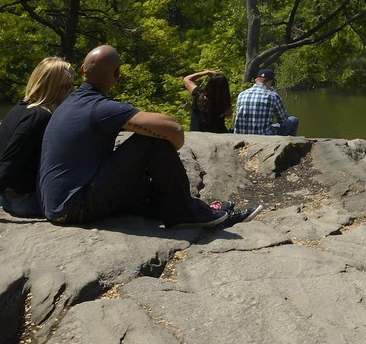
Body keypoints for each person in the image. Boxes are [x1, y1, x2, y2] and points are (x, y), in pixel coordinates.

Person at [38, 45, 260, 230]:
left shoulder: (70, 102)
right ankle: (185, 212)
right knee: (152, 142)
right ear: (116, 75)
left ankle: (193, 207)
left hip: (59, 204)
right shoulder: (100, 107)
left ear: (83, 70)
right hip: (74, 206)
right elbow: (173, 129)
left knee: (142, 183)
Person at [0, 57, 75, 222]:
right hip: (23, 201)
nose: (71, 92)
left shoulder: (22, 108)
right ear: (52, 88)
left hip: (13, 197)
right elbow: (9, 161)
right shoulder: (38, 117)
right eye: (67, 86)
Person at [232, 67, 299, 136]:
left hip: (240, 136)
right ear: (270, 82)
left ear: (256, 80)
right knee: (293, 120)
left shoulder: (242, 94)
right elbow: (283, 121)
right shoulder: (273, 96)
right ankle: (290, 145)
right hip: (263, 137)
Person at [182, 69, 231, 134]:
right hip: (217, 137)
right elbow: (229, 114)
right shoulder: (224, 103)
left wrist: (206, 72)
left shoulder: (198, 95)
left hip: (197, 136)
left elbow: (186, 79)